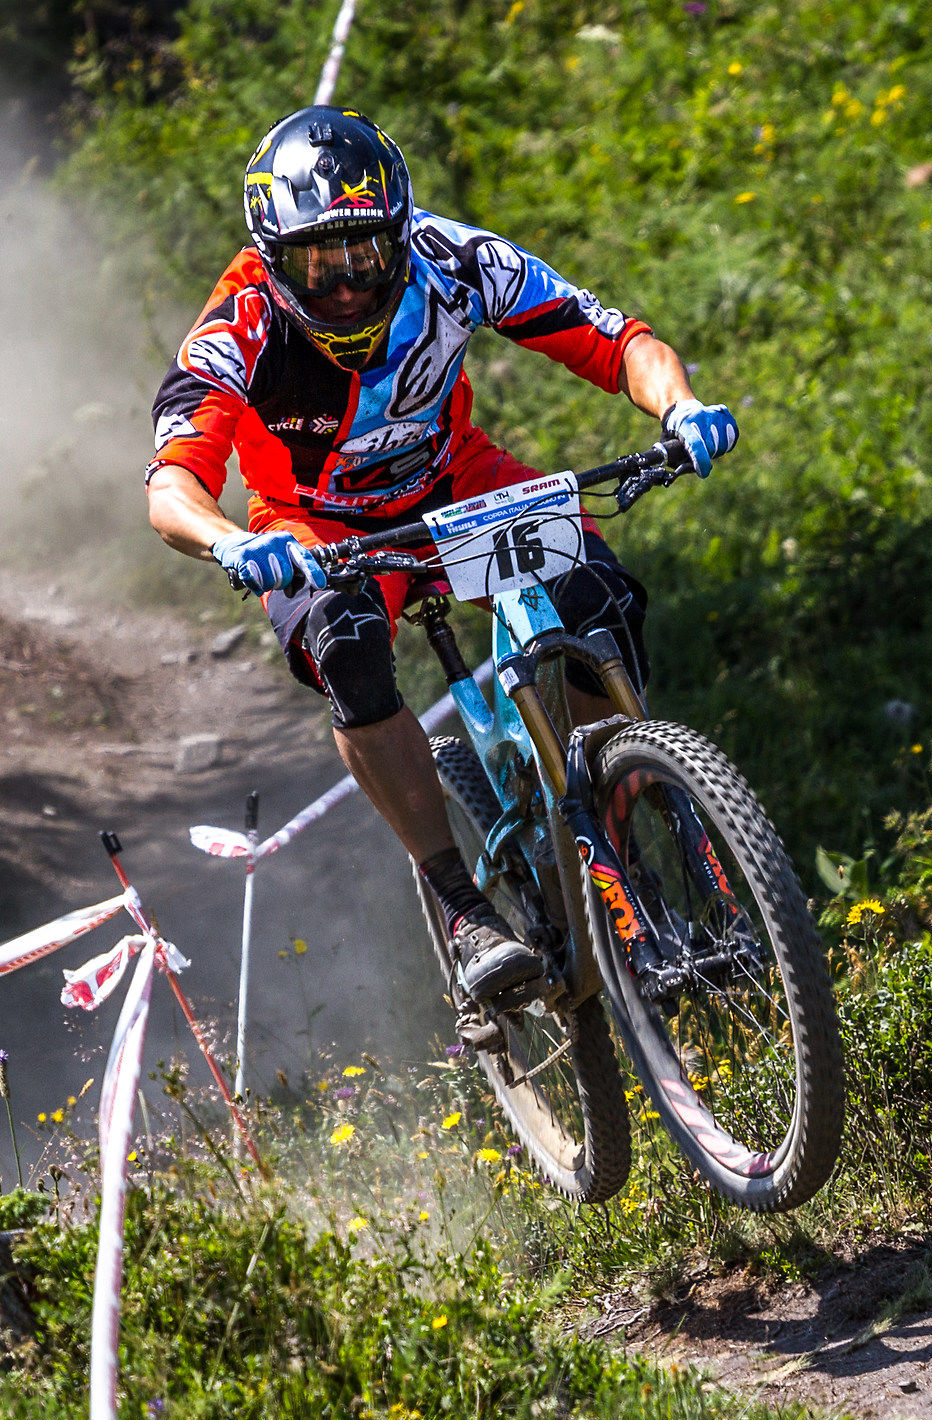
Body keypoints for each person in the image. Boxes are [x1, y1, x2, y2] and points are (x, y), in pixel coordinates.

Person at [146, 106, 738, 1006]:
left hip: (455, 480)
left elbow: (618, 341)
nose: (345, 287)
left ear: (401, 233)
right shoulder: (239, 325)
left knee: (601, 597)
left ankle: (614, 807)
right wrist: (233, 541)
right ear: (273, 257)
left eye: (365, 257)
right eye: (318, 263)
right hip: (316, 528)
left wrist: (680, 408)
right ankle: (460, 903)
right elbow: (171, 485)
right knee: (346, 644)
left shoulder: (454, 259)